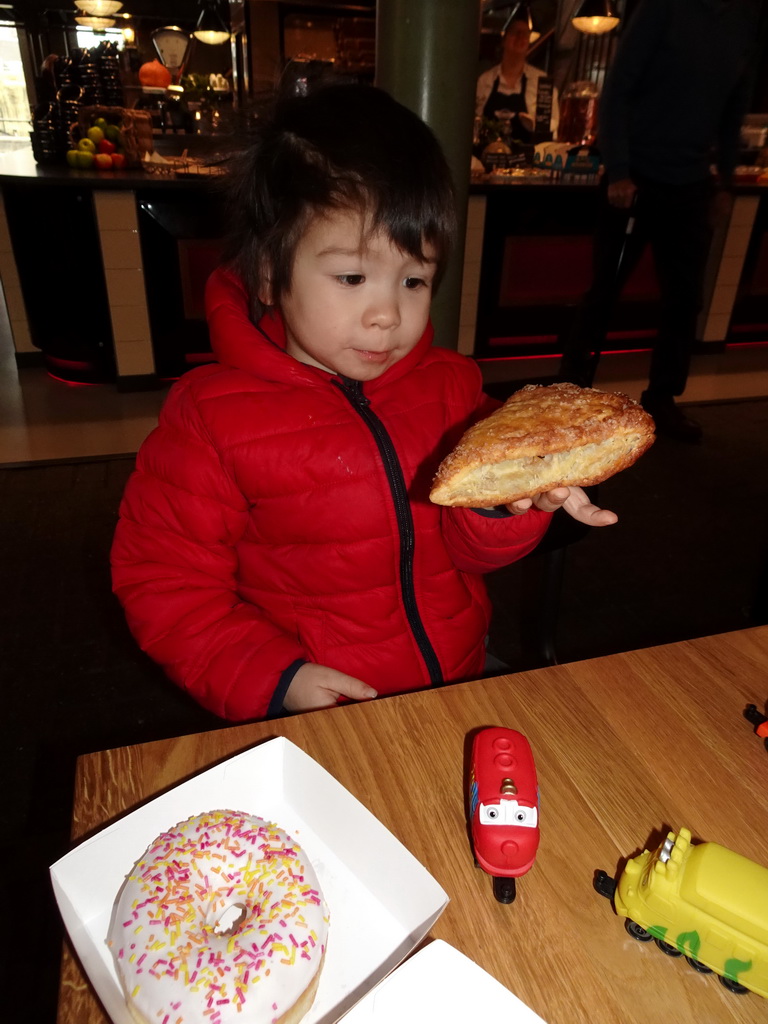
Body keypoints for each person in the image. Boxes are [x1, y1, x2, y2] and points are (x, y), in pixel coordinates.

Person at [110, 84, 615, 723]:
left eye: (414, 280)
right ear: (269, 272)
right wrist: (273, 676)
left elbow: (469, 554)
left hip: (458, 669)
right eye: (351, 278)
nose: (386, 315)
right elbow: (162, 581)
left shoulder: (454, 391)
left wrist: (507, 504)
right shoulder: (210, 420)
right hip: (321, 704)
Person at [558, 0, 760, 442]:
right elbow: (618, 90)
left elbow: (733, 111)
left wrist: (725, 181)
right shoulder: (662, 8)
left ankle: (663, 399)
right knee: (604, 290)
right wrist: (620, 168)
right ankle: (568, 389)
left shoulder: (743, 20)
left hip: (691, 184)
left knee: (685, 301)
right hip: (635, 179)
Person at [475, 11, 560, 142]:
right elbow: (475, 122)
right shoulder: (485, 80)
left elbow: (553, 125)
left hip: (527, 158)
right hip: (487, 157)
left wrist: (534, 124)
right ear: (504, 39)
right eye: (515, 32)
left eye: (525, 34)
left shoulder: (541, 81)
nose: (520, 37)